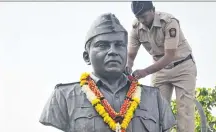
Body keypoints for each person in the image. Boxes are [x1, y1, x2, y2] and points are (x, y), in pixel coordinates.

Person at [39, 13, 176, 132]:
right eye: (103, 45)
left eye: (119, 45)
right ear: (86, 57)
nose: (113, 51)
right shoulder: (64, 97)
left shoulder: (154, 98)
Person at [126, 1, 197, 132]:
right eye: (139, 17)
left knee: (185, 111)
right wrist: (127, 69)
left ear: (153, 10)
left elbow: (169, 55)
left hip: (183, 67)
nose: (142, 20)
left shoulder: (169, 22)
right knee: (157, 110)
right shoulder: (136, 27)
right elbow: (130, 56)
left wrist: (144, 72)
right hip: (160, 70)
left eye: (144, 16)